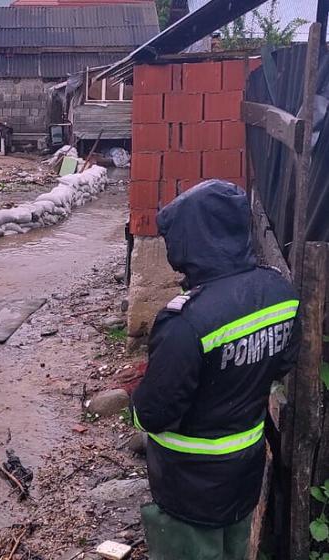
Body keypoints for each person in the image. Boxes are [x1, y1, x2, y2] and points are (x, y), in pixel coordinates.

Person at [131, 180, 301, 560]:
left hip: (188, 485)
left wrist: (134, 401)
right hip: (245, 472)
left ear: (188, 242)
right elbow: (283, 363)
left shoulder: (185, 321)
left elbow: (154, 414)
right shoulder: (280, 292)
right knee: (235, 549)